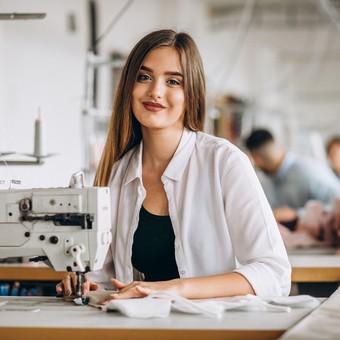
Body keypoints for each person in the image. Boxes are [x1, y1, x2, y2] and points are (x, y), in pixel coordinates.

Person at [56, 29, 291, 301]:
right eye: (144, 77)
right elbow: (104, 275)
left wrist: (176, 287)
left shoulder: (224, 162)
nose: (155, 91)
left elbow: (274, 273)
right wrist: (85, 282)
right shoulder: (118, 172)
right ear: (129, 87)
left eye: (173, 81)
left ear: (191, 92)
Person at [244, 128, 340, 227]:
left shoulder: (308, 171)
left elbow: (337, 202)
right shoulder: (266, 181)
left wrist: (297, 214)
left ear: (257, 159)